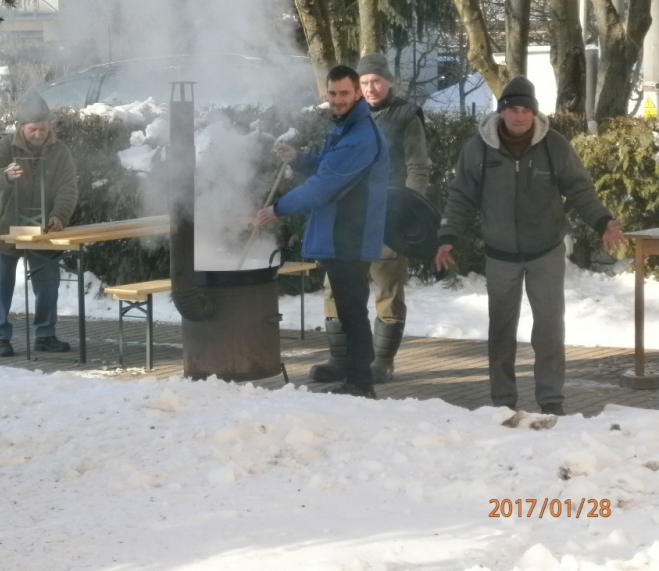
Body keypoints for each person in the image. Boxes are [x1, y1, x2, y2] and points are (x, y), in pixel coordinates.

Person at [435, 76, 624, 415]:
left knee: (550, 328)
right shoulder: (478, 148)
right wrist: (447, 237)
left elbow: (580, 189)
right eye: (513, 110)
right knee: (501, 330)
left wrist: (603, 221)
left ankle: (551, 400)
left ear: (535, 114)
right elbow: (461, 196)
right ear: (502, 112)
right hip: (500, 254)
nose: (520, 117)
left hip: (546, 251)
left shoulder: (554, 145)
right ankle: (502, 402)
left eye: (526, 111)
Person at [254, 65, 390, 399]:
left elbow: (323, 186)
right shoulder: (346, 128)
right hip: (340, 233)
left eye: (344, 93)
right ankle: (354, 374)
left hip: (351, 234)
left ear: (357, 93)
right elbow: (327, 167)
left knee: (352, 309)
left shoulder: (360, 136)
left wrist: (277, 209)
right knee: (347, 306)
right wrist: (299, 158)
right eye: (332, 94)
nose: (338, 100)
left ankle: (360, 382)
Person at [310, 52, 430, 385]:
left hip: (386, 216)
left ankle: (383, 362)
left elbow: (418, 168)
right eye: (364, 82)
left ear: (389, 81)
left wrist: (407, 211)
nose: (371, 86)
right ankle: (341, 359)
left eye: (377, 80)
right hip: (345, 219)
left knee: (387, 288)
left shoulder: (406, 115)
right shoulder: (342, 118)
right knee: (336, 289)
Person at [0, 91, 78, 357]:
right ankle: (0, 337)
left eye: (43, 128)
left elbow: (68, 188)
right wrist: (5, 175)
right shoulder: (5, 147)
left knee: (47, 283)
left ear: (49, 126)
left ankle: (45, 335)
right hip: (6, 228)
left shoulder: (60, 151)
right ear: (21, 128)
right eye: (33, 129)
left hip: (43, 229)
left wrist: (59, 216)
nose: (38, 134)